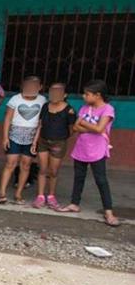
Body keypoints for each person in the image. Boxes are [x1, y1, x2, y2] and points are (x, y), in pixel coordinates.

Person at [58, 80, 120, 227]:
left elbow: (99, 129)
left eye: (87, 94)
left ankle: (108, 211)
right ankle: (74, 203)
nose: (84, 97)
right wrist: (90, 127)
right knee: (79, 177)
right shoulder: (85, 108)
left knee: (101, 180)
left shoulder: (107, 109)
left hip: (97, 149)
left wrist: (84, 124)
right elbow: (75, 127)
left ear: (98, 95)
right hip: (82, 147)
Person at [0, 76, 46, 205]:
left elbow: (41, 122)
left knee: (26, 165)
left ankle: (18, 193)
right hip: (14, 135)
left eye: (34, 85)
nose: (30, 88)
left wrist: (36, 140)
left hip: (31, 137)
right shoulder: (15, 99)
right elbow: (8, 118)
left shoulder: (43, 101)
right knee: (10, 163)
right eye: (27, 85)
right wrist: (5, 137)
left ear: (40, 87)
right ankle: (2, 192)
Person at [31, 82, 76, 209]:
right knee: (42, 169)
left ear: (64, 94)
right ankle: (40, 196)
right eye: (52, 91)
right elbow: (40, 125)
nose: (54, 94)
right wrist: (35, 141)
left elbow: (72, 129)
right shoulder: (45, 106)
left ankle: (51, 196)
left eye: (58, 91)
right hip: (43, 141)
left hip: (58, 142)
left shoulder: (69, 110)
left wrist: (61, 138)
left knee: (53, 171)